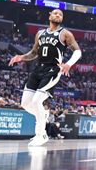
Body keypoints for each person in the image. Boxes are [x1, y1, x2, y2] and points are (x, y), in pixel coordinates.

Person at [9, 9, 82, 147]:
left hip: (53, 70)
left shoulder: (65, 34)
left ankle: (41, 134)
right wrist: (21, 57)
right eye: (55, 13)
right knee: (25, 103)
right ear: (49, 16)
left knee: (37, 101)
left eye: (60, 14)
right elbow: (34, 53)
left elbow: (77, 51)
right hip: (38, 69)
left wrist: (68, 64)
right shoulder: (40, 33)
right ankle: (43, 115)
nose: (58, 15)